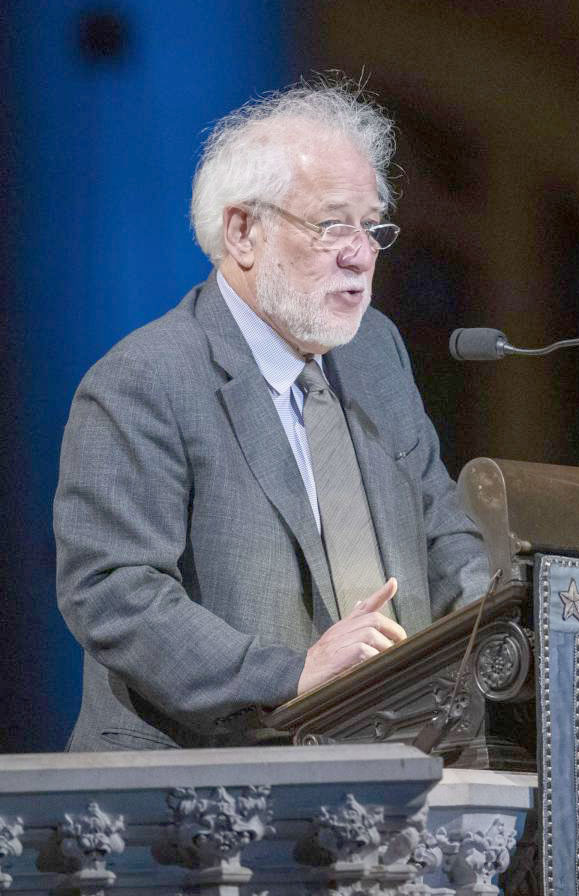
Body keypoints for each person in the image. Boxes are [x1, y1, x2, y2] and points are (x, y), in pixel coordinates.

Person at [54, 79, 490, 750]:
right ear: (243, 232)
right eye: (331, 225)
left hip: (395, 758)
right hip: (205, 774)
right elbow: (114, 591)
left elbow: (442, 531)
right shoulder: (144, 380)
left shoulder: (376, 351)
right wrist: (293, 675)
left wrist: (504, 622)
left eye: (372, 226)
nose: (360, 253)